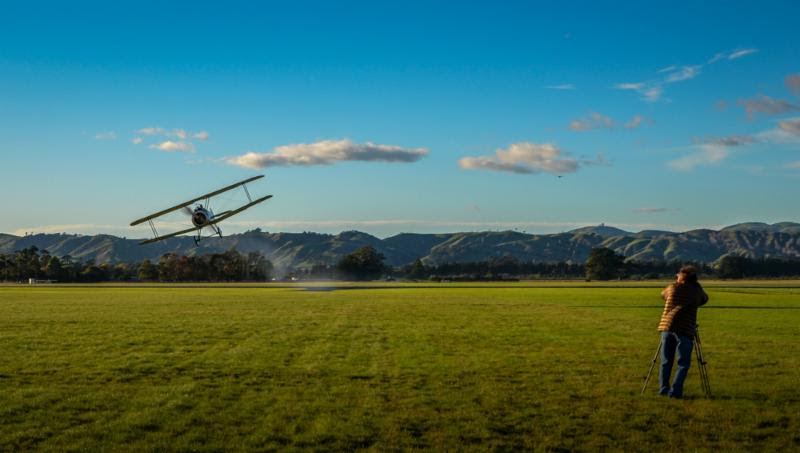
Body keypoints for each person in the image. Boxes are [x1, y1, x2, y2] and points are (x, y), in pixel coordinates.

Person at [657, 265, 708, 398]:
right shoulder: (696, 291)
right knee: (683, 364)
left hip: (667, 327)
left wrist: (676, 284)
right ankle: (675, 392)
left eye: (678, 275)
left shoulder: (672, 287)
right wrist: (697, 287)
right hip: (685, 330)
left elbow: (662, 294)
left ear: (681, 276)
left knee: (666, 361)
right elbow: (704, 299)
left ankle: (663, 389)